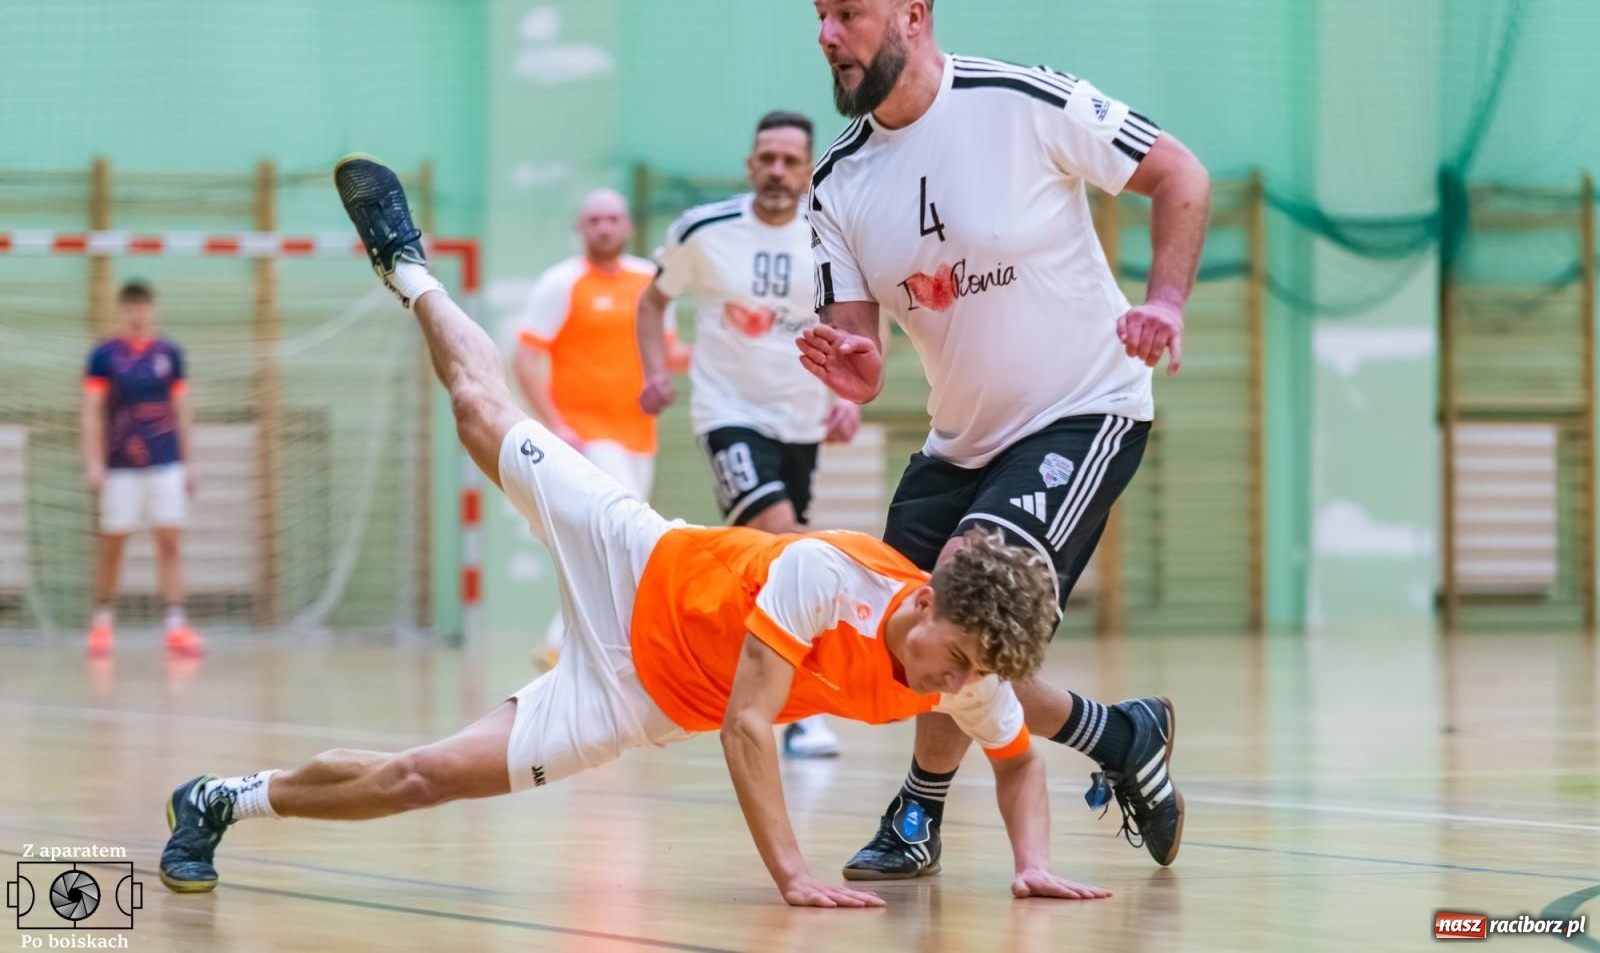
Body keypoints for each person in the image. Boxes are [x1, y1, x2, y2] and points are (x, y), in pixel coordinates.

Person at [157, 156, 1108, 909]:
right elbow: (746, 725)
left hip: (633, 698)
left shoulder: (970, 672)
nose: (952, 684)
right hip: (638, 558)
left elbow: (1017, 760)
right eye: (957, 658)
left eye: (969, 673)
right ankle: (408, 271)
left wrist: (1031, 861)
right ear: (928, 599)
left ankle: (221, 799)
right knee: (480, 414)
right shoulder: (829, 573)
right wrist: (792, 874)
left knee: (422, 777)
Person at [797, 0, 1211, 878]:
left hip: (1085, 406)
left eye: (847, 13)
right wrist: (851, 368)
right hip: (960, 440)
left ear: (913, 16)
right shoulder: (837, 183)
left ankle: (917, 811)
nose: (827, 35)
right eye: (819, 16)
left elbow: (1178, 173)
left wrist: (1165, 301)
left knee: (960, 598)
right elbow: (864, 356)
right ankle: (1121, 734)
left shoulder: (1021, 100)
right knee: (906, 635)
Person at [637, 110, 861, 760]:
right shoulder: (702, 230)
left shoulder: (833, 234)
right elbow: (652, 300)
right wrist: (655, 372)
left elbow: (853, 324)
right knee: (790, 543)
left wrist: (848, 398)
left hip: (801, 420)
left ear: (809, 168)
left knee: (774, 563)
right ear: (749, 164)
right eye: (767, 159)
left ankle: (761, 694)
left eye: (791, 161)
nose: (777, 171)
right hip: (727, 413)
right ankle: (806, 711)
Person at [510, 189, 679, 662]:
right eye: (594, 220)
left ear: (627, 226)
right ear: (580, 228)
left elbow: (666, 353)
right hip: (588, 438)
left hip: (639, 437)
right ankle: (577, 644)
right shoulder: (560, 283)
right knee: (624, 533)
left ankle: (564, 643)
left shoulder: (650, 281)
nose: (604, 228)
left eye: (612, 219)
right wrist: (557, 425)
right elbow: (524, 359)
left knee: (613, 541)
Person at [82, 280, 203, 658]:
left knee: (170, 540)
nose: (138, 314)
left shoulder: (170, 355)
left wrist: (189, 463)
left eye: (144, 307)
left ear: (153, 310)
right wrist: (93, 461)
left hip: (166, 462)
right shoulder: (103, 357)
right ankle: (102, 621)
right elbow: (91, 412)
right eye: (131, 307)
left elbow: (182, 410)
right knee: (113, 542)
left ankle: (176, 625)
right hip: (121, 465)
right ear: (121, 311)